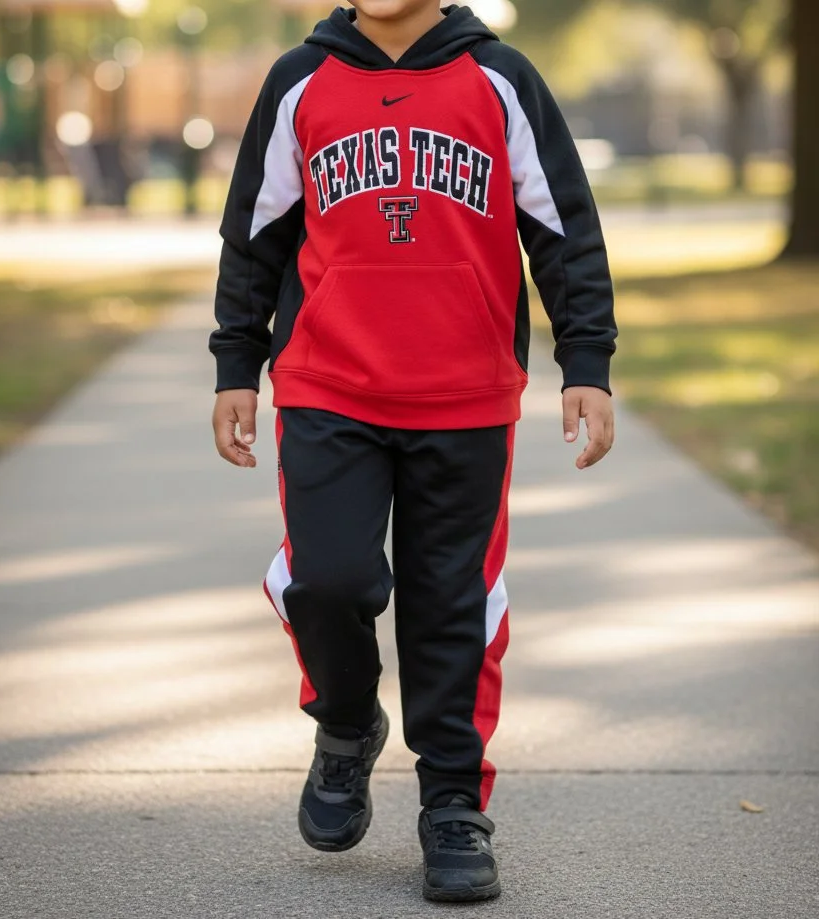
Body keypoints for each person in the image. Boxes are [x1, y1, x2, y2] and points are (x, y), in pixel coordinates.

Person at [210, 0, 616, 903]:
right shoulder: (300, 81)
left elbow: (564, 227)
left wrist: (586, 359)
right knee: (328, 577)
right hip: (328, 382)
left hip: (465, 394)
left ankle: (453, 805)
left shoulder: (501, 80)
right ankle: (347, 720)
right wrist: (236, 361)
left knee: (451, 605)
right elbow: (254, 233)